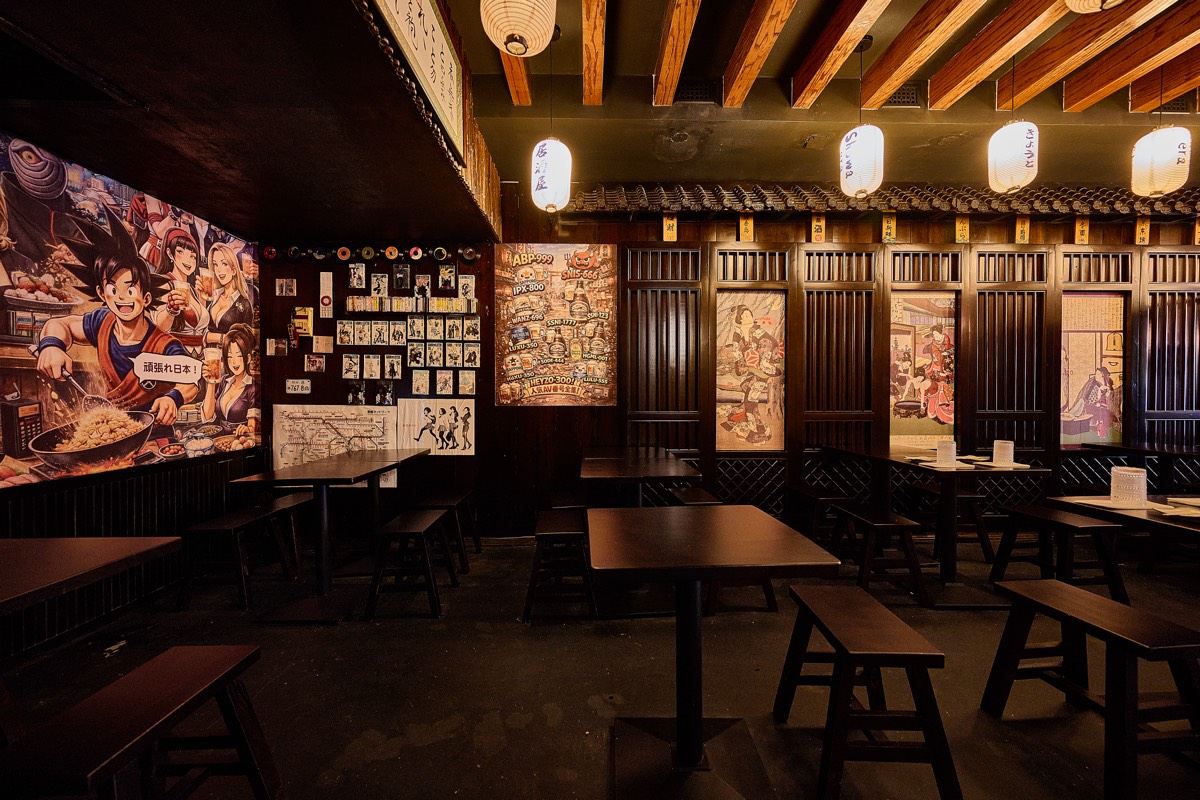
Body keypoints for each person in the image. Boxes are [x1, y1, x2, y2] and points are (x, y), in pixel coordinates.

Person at [34, 219, 198, 424]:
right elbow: (60, 325)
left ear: (146, 298)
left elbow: (191, 379)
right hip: (113, 430)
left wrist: (173, 398)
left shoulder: (165, 344)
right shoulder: (102, 322)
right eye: (113, 290)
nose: (122, 298)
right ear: (102, 294)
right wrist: (51, 346)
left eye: (130, 290)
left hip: (155, 433)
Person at [720, 304, 781, 445]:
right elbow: (736, 351)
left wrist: (763, 359)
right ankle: (755, 427)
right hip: (747, 368)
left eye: (750, 314)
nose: (749, 317)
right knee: (749, 398)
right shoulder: (737, 332)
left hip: (762, 370)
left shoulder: (757, 330)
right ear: (740, 318)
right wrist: (742, 364)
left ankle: (757, 430)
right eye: (745, 315)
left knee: (751, 400)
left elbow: (770, 342)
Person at [153, 227, 209, 359]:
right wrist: (170, 309)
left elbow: (202, 327)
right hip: (174, 357)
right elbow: (157, 327)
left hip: (199, 360)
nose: (188, 260)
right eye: (180, 251)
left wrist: (203, 297)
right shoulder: (164, 284)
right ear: (170, 253)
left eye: (193, 256)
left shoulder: (194, 291)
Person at [201, 323, 260, 431]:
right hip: (220, 440)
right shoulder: (225, 381)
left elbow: (253, 425)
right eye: (229, 356)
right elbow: (207, 416)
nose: (234, 362)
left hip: (239, 441)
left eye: (238, 355)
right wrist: (211, 382)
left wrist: (247, 429)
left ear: (247, 358)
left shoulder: (253, 388)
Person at [204, 242, 253, 346]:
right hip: (207, 357)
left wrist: (216, 338)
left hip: (229, 359)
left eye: (224, 264)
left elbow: (246, 342)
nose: (219, 270)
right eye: (215, 264)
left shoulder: (244, 304)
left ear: (234, 270)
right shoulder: (213, 297)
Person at [1065, 365, 1116, 438]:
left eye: (1098, 374)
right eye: (1096, 373)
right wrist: (1099, 392)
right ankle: (1098, 428)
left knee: (1106, 412)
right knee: (1100, 411)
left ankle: (1101, 429)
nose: (1096, 375)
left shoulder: (1107, 382)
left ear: (1103, 375)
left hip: (1103, 404)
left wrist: (1108, 393)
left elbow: (1110, 395)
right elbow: (1091, 399)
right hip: (1091, 405)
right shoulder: (1093, 384)